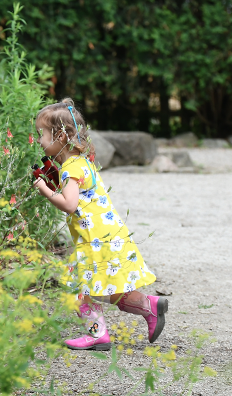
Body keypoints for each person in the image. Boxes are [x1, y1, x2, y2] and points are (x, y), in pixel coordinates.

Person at [32, 98, 168, 351]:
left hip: (93, 241)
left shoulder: (69, 168)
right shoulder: (83, 163)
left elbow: (69, 204)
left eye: (42, 134)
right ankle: (150, 305)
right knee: (111, 290)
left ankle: (97, 335)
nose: (39, 140)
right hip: (110, 237)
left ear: (60, 136)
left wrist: (43, 189)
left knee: (76, 288)